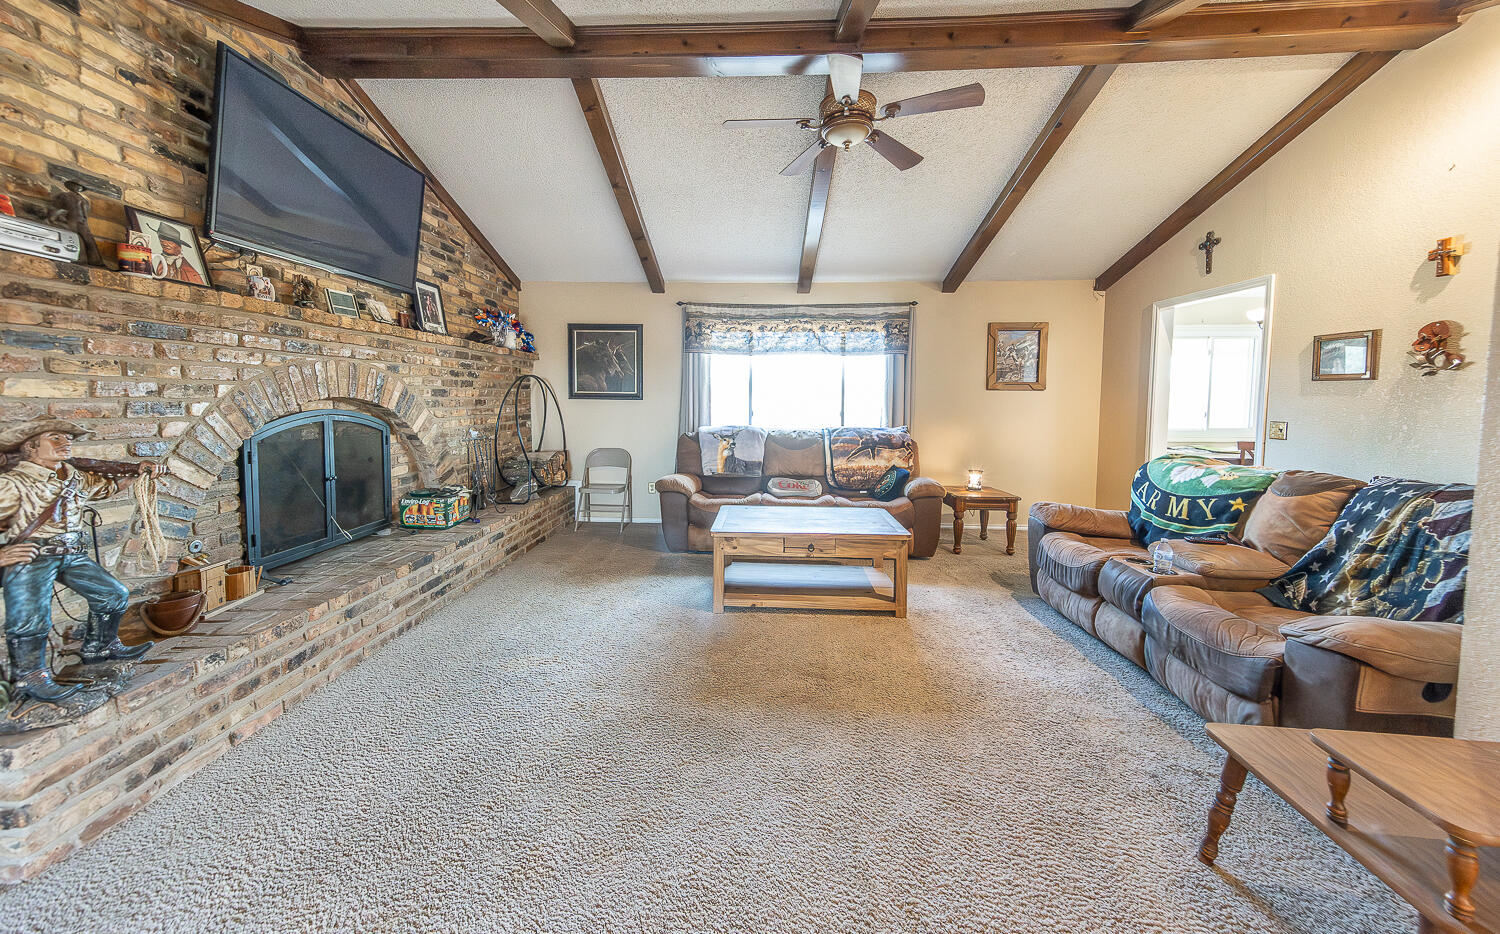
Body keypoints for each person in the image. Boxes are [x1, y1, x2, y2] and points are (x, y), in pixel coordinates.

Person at [0, 420, 166, 703]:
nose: (65, 442)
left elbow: (105, 489)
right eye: (54, 437)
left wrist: (139, 474)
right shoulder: (12, 483)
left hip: (71, 553)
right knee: (30, 619)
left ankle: (100, 647)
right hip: (32, 555)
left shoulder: (73, 476)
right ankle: (29, 677)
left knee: (113, 594)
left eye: (66, 438)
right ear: (30, 447)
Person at [147, 222, 206, 286]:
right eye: (162, 241)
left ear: (178, 245)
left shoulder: (188, 270)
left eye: (170, 241)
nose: (165, 244)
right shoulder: (161, 263)